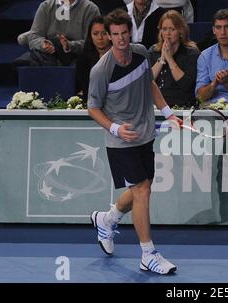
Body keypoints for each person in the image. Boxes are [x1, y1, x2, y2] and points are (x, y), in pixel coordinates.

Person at [88, 9, 181, 275]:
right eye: (114, 34)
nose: (119, 39)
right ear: (108, 36)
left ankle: (108, 219)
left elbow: (149, 83)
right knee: (142, 190)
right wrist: (115, 128)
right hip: (120, 140)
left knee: (143, 186)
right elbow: (92, 108)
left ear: (130, 32)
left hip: (144, 134)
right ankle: (148, 255)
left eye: (123, 33)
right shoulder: (101, 70)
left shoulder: (140, 53)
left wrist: (168, 113)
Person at [148, 10, 200, 107]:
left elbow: (186, 86)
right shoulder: (153, 51)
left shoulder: (191, 53)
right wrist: (162, 59)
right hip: (156, 106)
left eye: (172, 29)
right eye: (164, 29)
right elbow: (146, 81)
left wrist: (170, 59)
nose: (167, 33)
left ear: (181, 31)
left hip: (182, 106)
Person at [76, 16, 112, 99]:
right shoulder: (83, 59)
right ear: (90, 36)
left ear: (110, 34)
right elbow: (86, 88)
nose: (100, 38)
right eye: (95, 34)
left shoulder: (120, 56)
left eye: (104, 33)